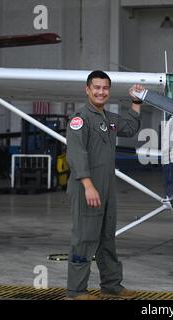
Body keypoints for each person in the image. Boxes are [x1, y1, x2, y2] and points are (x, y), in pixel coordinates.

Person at [65, 70, 144, 300]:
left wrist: (136, 102)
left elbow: (129, 128)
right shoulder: (80, 120)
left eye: (105, 88)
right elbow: (77, 154)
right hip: (86, 188)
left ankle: (111, 285)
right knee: (84, 238)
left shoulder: (108, 119)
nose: (101, 92)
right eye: (96, 87)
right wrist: (88, 186)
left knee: (107, 238)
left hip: (106, 188)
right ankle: (76, 290)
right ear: (87, 89)